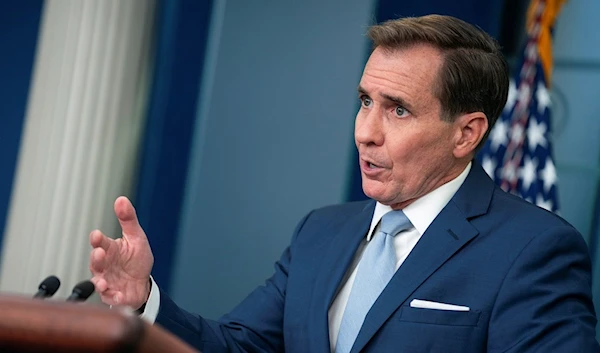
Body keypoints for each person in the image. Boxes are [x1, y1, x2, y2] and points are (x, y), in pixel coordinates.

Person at [89, 14, 599, 352]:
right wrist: (143, 301)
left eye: (398, 110)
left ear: (466, 133)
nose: (365, 133)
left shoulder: (533, 250)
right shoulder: (321, 232)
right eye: (365, 102)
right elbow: (238, 346)